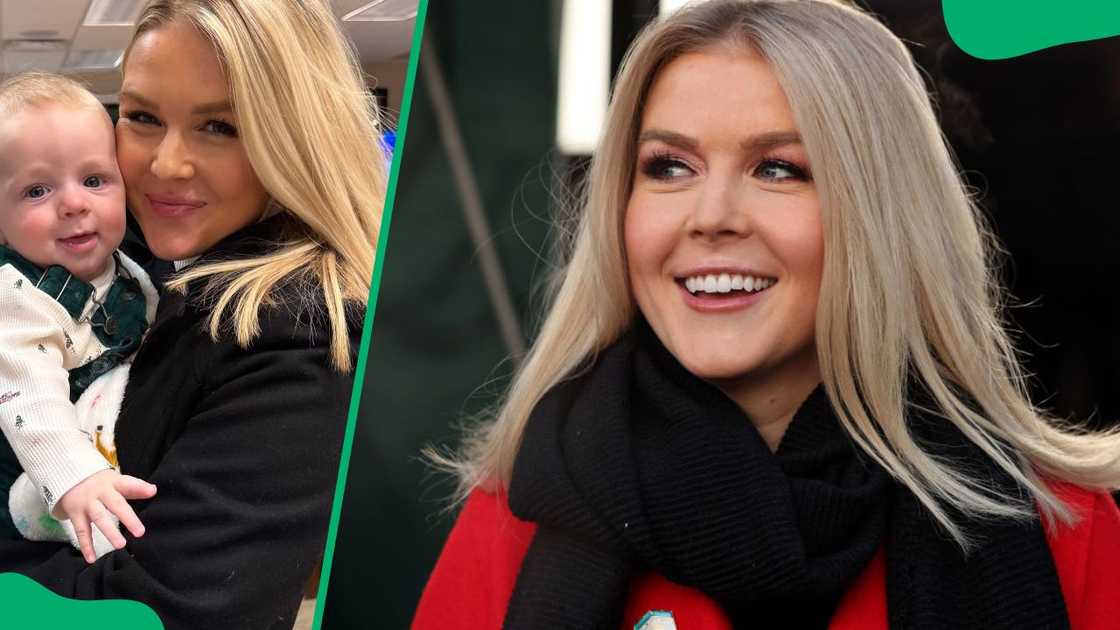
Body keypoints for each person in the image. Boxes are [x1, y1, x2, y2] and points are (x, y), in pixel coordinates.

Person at [415, 1, 1120, 629]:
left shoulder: (1064, 531)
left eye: (777, 169)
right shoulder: (519, 515)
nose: (710, 216)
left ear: (883, 216)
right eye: (669, 167)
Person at [0, 1, 385, 628]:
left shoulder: (302, 332)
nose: (166, 165)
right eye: (144, 118)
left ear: (296, 136)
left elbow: (170, 609)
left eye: (221, 128)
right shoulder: (138, 257)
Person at [0, 72, 159, 563]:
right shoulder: (16, 296)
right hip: (38, 460)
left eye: (94, 180)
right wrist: (75, 474)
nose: (74, 203)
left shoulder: (126, 264)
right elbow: (27, 393)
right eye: (36, 191)